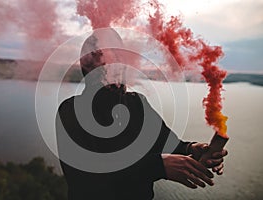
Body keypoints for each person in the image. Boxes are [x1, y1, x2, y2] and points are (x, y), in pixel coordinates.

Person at [56, 28, 228, 200]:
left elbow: (168, 143)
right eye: (105, 55)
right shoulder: (70, 110)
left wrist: (192, 148)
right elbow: (88, 178)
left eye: (119, 54)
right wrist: (158, 166)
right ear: (86, 64)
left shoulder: (137, 103)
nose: (115, 61)